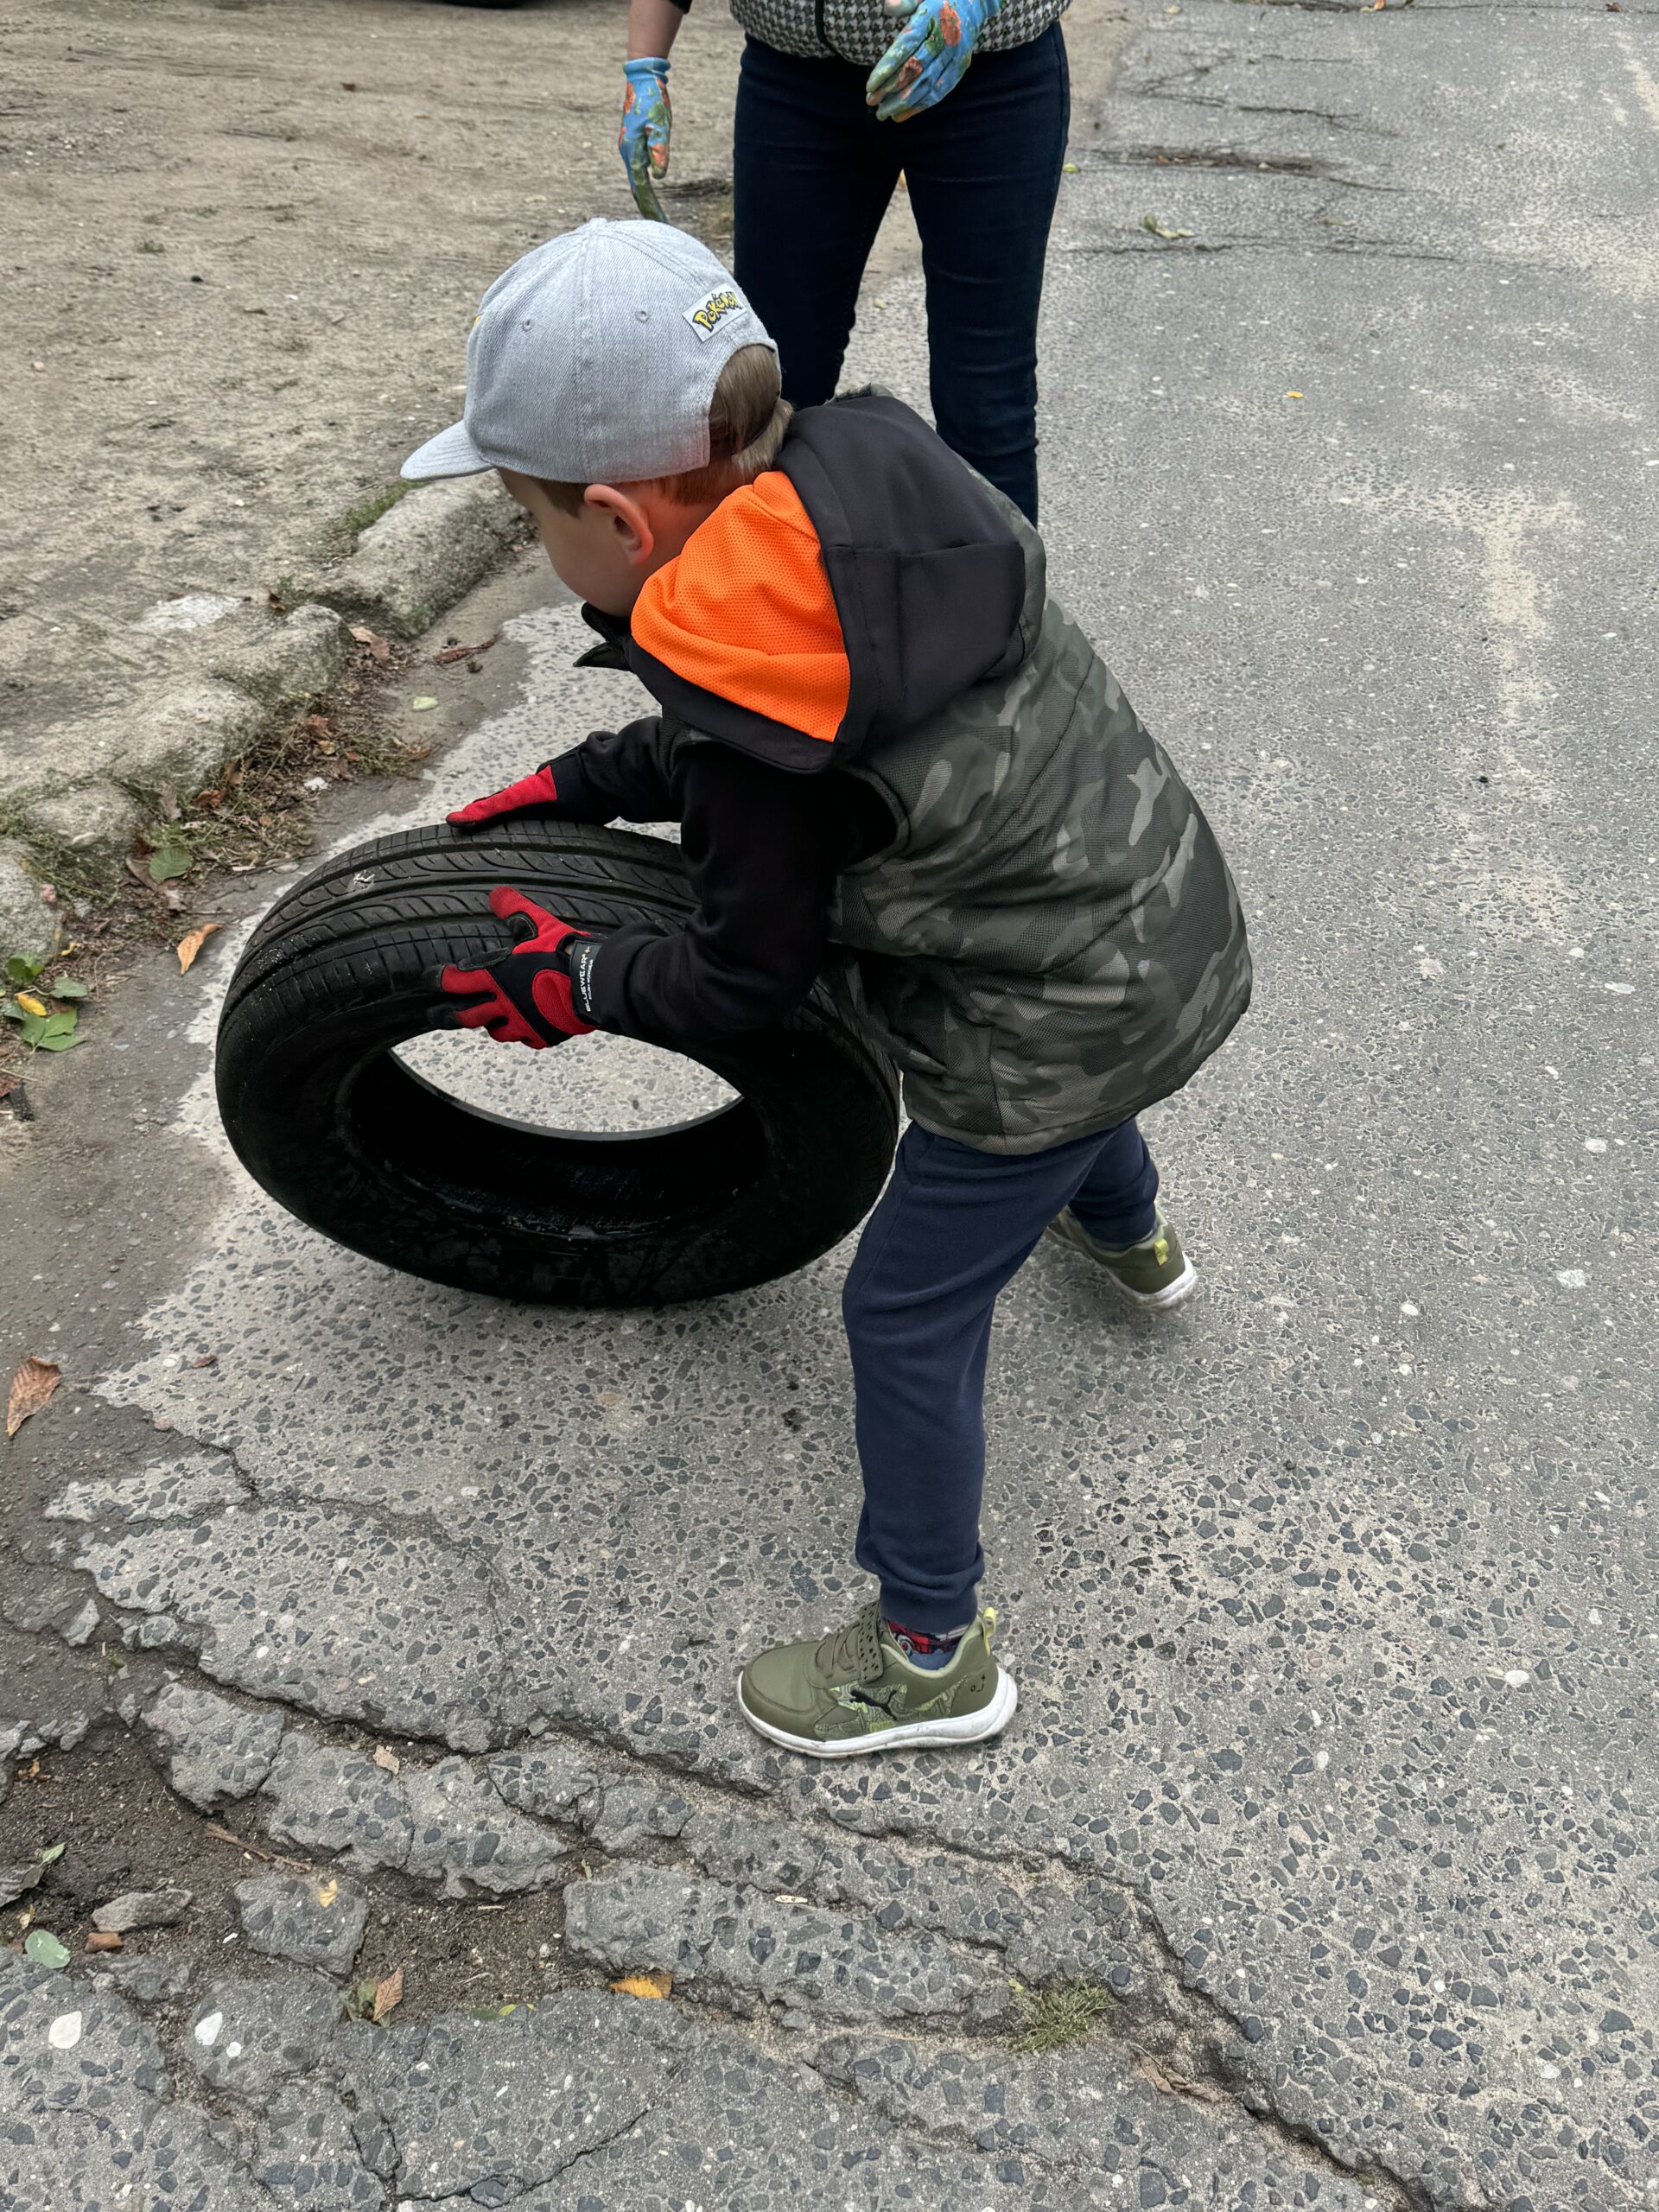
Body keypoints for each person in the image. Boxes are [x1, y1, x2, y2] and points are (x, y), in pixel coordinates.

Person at [401, 219, 1251, 1758]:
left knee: (907, 1310)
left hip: (1056, 1009)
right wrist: (586, 779)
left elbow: (742, 977)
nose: (548, 556)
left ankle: (932, 1651)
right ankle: (1134, 1239)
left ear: (614, 515)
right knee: (1068, 1095)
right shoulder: (850, 504)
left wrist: (573, 976)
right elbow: (780, 740)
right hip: (1146, 918)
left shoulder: (754, 716)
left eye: (535, 522)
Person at [619, 0, 1071, 521]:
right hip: (795, 83)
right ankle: (760, 597)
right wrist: (645, 66)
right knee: (766, 399)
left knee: (985, 401)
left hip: (989, 81)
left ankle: (999, 601)